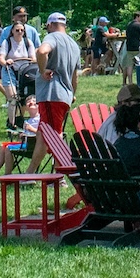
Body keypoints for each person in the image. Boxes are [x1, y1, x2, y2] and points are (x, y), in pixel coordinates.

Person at [32, 11, 81, 165]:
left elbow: (42, 51)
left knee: (54, 136)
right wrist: (72, 93)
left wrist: (42, 70)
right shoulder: (74, 45)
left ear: (50, 25)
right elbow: (75, 76)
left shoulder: (52, 37)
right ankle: (29, 175)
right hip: (65, 95)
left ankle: (62, 174)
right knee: (43, 135)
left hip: (51, 94)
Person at [0, 95, 42, 180]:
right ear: (25, 108)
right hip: (26, 143)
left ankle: (8, 177)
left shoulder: (40, 119)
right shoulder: (28, 120)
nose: (31, 102)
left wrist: (31, 129)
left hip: (34, 147)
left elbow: (41, 134)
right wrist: (22, 134)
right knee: (3, 146)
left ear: (39, 106)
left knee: (8, 148)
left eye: (34, 101)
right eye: (28, 102)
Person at [122, 11, 140, 83]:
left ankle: (130, 82)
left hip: (129, 47)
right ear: (137, 17)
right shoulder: (138, 25)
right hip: (138, 47)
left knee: (129, 65)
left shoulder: (129, 24)